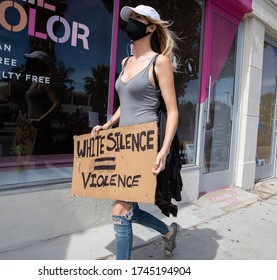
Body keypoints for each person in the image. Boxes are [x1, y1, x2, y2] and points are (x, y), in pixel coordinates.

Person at [91, 5, 180, 260]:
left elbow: (172, 111)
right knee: (129, 208)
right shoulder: (125, 61)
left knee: (120, 210)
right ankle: (168, 232)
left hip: (144, 146)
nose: (130, 22)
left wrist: (163, 151)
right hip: (121, 145)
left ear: (151, 27)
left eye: (137, 19)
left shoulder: (159, 62)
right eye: (129, 18)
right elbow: (125, 103)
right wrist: (107, 125)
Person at [23, 51, 60, 155]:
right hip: (31, 128)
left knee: (38, 157)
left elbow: (57, 103)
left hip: (40, 130)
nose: (28, 63)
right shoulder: (34, 81)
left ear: (39, 64)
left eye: (32, 61)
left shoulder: (44, 81)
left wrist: (40, 120)